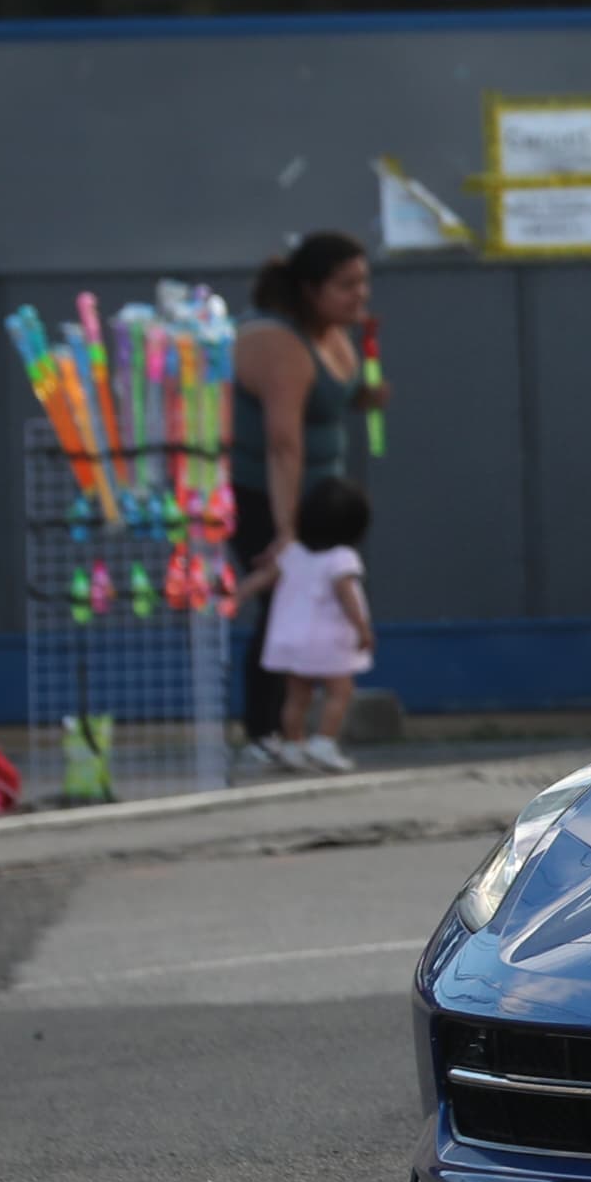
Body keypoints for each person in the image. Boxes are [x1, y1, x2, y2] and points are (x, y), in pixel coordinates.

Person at [230, 231, 376, 776]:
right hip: (270, 495)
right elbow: (283, 443)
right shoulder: (276, 342)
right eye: (346, 285)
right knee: (282, 611)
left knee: (316, 607)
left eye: (363, 281)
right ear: (311, 290)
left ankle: (301, 733)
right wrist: (288, 531)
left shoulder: (335, 333)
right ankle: (264, 734)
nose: (360, 294)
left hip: (318, 497)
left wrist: (367, 396)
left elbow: (332, 398)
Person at [236, 478, 376, 774]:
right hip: (328, 639)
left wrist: (236, 595)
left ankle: (292, 745)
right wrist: (362, 628)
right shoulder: (342, 558)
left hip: (292, 637)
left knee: (297, 695)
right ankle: (324, 743)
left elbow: (262, 579)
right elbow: (347, 594)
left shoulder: (292, 553)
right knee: (340, 691)